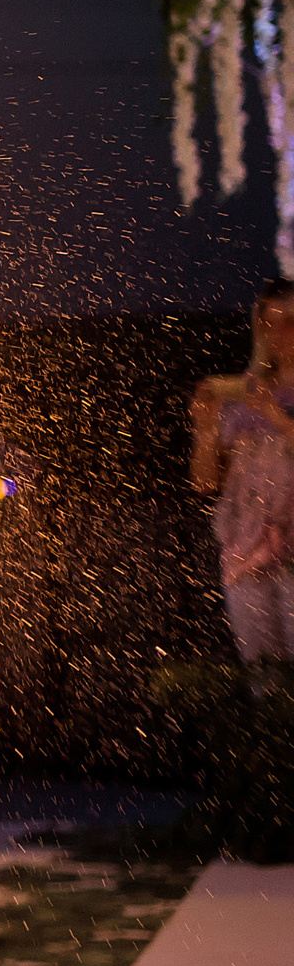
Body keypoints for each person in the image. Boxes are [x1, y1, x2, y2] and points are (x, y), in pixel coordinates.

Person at [194, 278, 294, 687]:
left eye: (289, 321)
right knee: (265, 680)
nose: (279, 333)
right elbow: (204, 482)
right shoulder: (239, 394)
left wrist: (278, 418)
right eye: (268, 323)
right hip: (246, 549)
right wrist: (203, 430)